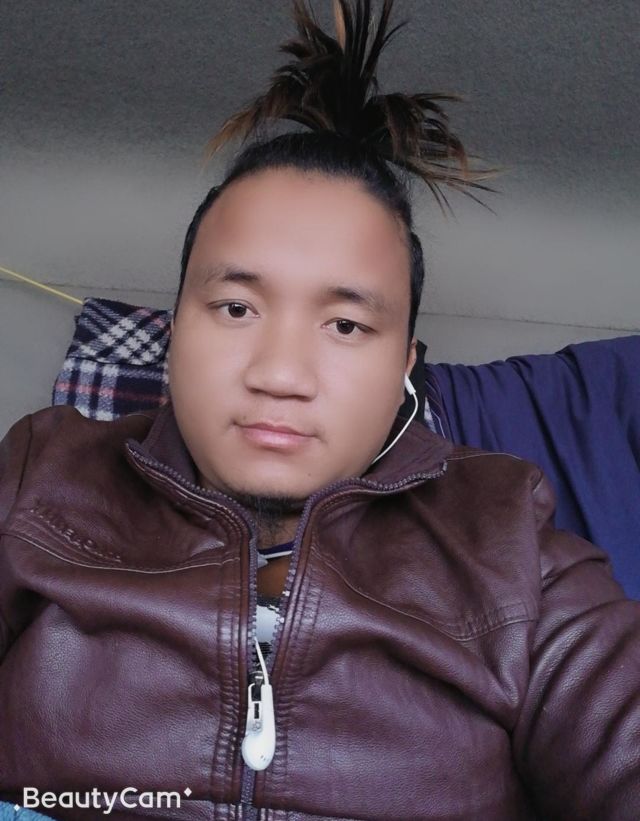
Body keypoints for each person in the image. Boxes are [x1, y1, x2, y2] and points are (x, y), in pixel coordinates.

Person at [1, 1, 639, 819]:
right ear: (176, 330)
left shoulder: (516, 547)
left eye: (345, 325)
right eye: (236, 308)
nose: (280, 374)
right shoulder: (40, 480)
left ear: (404, 368)